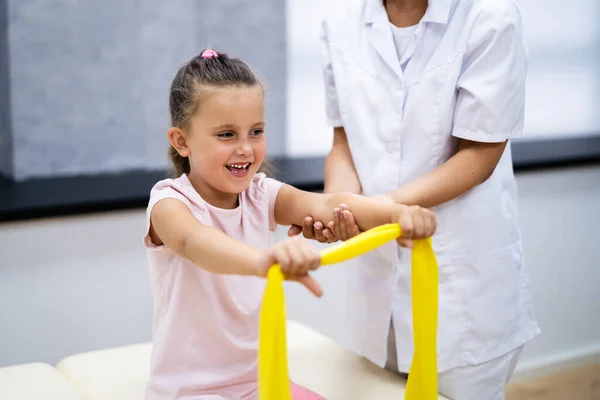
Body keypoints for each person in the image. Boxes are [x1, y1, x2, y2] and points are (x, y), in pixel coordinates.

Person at [143, 48, 437, 400]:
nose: (246, 149)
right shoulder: (169, 203)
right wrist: (261, 261)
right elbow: (195, 242)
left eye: (256, 131)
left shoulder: (259, 193)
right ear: (182, 141)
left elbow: (327, 204)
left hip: (260, 382)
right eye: (226, 135)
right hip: (189, 393)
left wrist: (396, 214)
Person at [288, 0, 541, 398]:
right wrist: (338, 208)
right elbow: (343, 142)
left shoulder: (489, 16)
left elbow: (480, 153)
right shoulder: (339, 25)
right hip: (374, 286)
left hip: (461, 290)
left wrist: (374, 209)